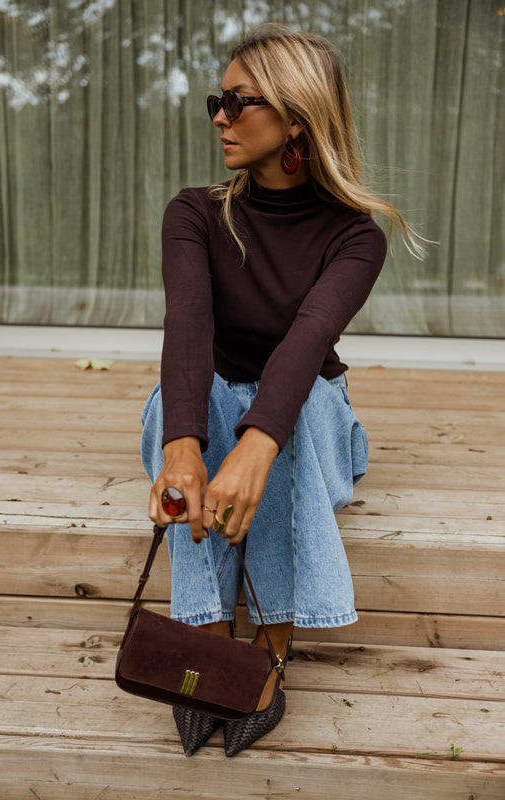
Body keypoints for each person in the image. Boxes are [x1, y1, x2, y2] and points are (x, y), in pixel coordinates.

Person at [140, 22, 422, 757]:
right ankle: (207, 643)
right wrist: (182, 449)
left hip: (308, 412)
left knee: (280, 419)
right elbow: (188, 324)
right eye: (218, 100)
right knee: (195, 409)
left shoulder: (356, 236)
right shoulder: (194, 211)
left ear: (296, 118)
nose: (220, 117)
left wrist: (256, 445)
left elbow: (305, 343)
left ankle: (267, 655)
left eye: (240, 102)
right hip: (209, 401)